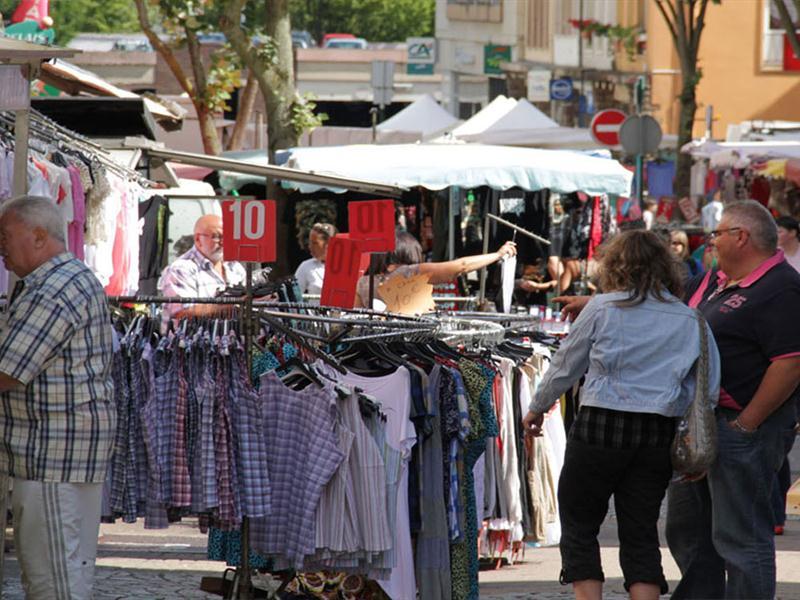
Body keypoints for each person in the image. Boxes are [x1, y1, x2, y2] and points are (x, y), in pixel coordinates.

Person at [553, 200, 800, 600]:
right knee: (687, 530)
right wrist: (603, 307)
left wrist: (746, 423)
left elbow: (789, 364)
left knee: (740, 537)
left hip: (741, 426)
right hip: (694, 423)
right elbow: (663, 312)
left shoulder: (781, 287)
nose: (711, 241)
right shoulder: (719, 280)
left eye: (717, 233)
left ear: (742, 237)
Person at [522, 230, 721, 600]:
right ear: (667, 268)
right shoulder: (690, 319)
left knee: (580, 521)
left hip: (599, 427)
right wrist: (692, 437)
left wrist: (537, 408)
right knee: (641, 528)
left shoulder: (602, 307)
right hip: (656, 433)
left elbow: (566, 364)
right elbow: (705, 389)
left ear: (614, 266)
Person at [0, 195, 116, 599]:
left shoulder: (52, 287)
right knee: (64, 571)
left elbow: (9, 369)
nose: (1, 245)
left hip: (52, 457)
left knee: (54, 579)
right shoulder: (68, 278)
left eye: (5, 234)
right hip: (61, 454)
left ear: (37, 236)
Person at [353, 231, 517, 309]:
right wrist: (497, 255)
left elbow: (357, 314)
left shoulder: (363, 282)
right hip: (405, 349)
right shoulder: (409, 273)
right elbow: (461, 267)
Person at [158, 214, 246, 323]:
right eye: (216, 237)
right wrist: (233, 305)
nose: (223, 242)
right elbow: (181, 313)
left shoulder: (235, 267)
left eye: (227, 236)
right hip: (193, 338)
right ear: (198, 239)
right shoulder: (180, 269)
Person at [294, 222, 337, 297]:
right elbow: (294, 295)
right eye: (310, 242)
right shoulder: (306, 266)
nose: (310, 246)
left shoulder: (345, 267)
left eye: (315, 243)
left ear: (328, 244)